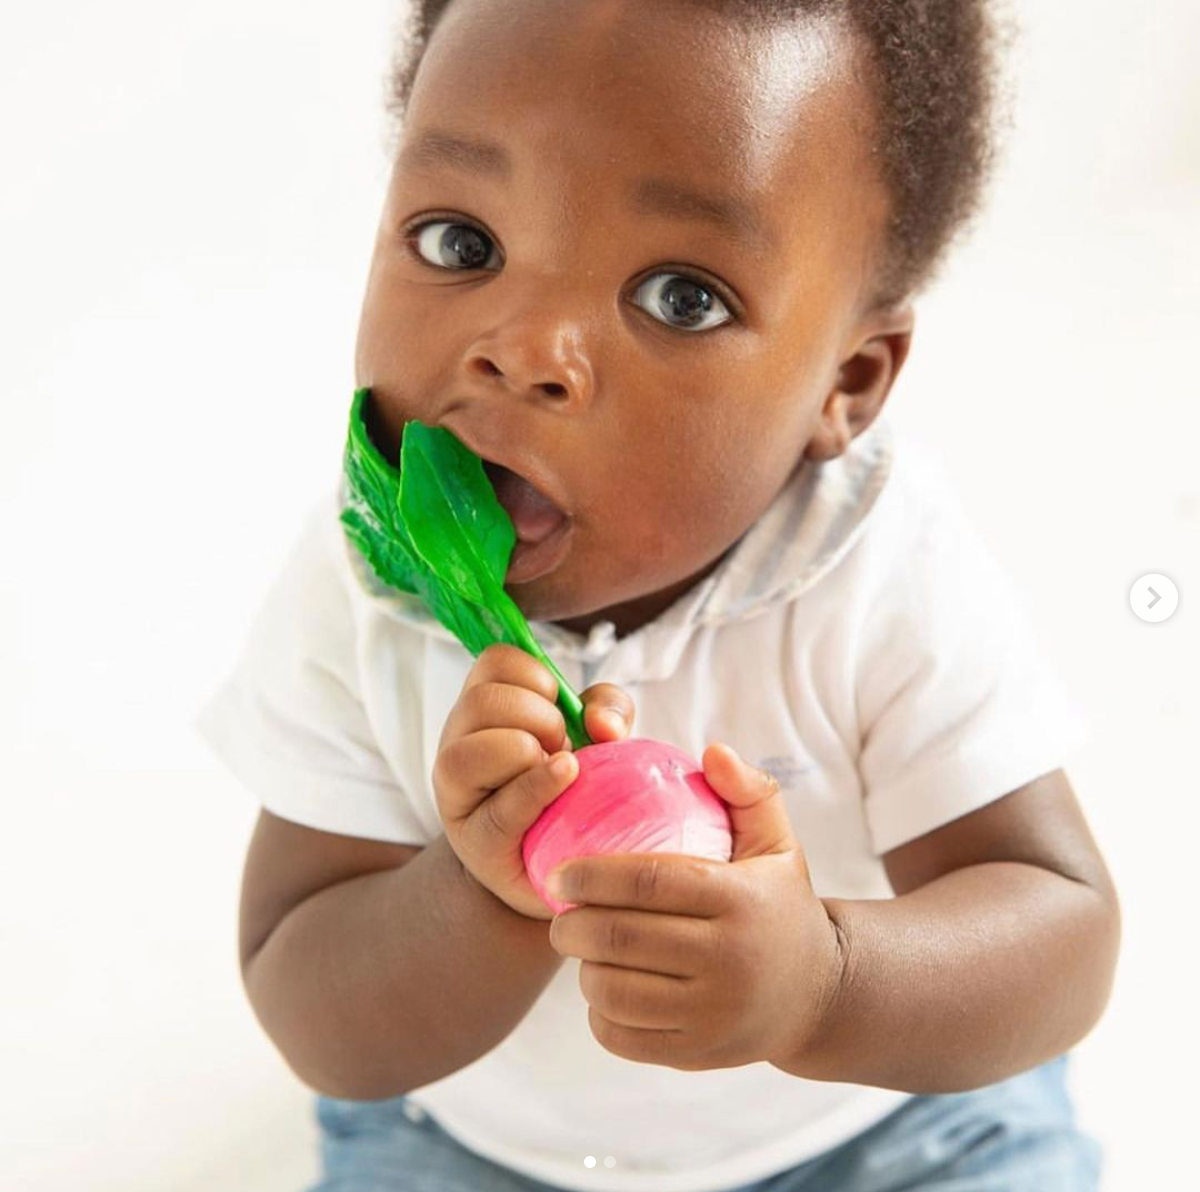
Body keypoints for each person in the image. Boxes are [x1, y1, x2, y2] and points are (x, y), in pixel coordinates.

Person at [196, 1, 1120, 1189]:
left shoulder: (873, 570)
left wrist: (825, 980)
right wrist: (482, 890)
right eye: (459, 243)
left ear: (847, 381)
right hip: (487, 1151)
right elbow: (316, 1017)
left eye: (681, 295)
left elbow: (1063, 930)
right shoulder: (368, 592)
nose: (522, 346)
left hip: (872, 1130)